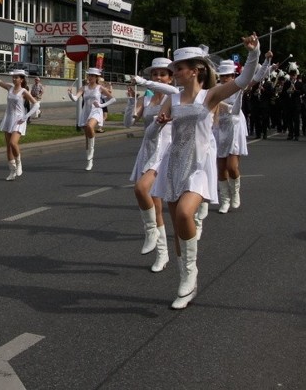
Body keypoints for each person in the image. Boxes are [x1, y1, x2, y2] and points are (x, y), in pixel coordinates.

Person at [151, 34, 260, 309]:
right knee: (178, 226)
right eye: (174, 68)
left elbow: (243, 81)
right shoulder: (173, 99)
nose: (174, 73)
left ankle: (191, 273)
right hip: (174, 165)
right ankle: (186, 279)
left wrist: (253, 53)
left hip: (198, 166)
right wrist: (160, 123)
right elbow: (152, 131)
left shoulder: (209, 96)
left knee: (186, 213)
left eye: (179, 68)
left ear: (195, 70)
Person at [125, 57, 179, 272]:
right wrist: (131, 102)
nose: (157, 77)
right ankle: (162, 253)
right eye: (154, 74)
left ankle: (151, 232)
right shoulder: (147, 101)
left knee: (141, 188)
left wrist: (144, 82)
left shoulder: (175, 97)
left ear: (170, 77)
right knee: (155, 206)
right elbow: (128, 123)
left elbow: (170, 91)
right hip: (147, 151)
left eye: (162, 74)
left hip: (165, 152)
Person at [215, 53, 272, 215]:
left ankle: (235, 192)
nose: (225, 78)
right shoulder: (216, 89)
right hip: (219, 126)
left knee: (232, 166)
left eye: (228, 75)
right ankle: (224, 200)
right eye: (223, 76)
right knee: (221, 168)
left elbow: (257, 76)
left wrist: (267, 61)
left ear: (234, 75)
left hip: (235, 126)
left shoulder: (239, 86)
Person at [0, 58, 40, 180]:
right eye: (13, 77)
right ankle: (12, 171)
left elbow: (36, 104)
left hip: (19, 119)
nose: (14, 79)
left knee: (13, 143)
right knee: (8, 147)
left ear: (22, 79)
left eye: (16, 77)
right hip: (8, 118)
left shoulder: (24, 91)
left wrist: (26, 116)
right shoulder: (9, 87)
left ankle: (19, 164)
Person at [67, 67, 116, 170]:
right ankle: (90, 161)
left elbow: (113, 99)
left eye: (93, 76)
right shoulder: (84, 88)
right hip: (86, 111)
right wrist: (70, 94)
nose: (90, 77)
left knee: (90, 126)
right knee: (86, 138)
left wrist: (101, 106)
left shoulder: (100, 88)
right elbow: (75, 98)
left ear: (97, 77)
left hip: (96, 111)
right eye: (89, 75)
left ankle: (92, 150)